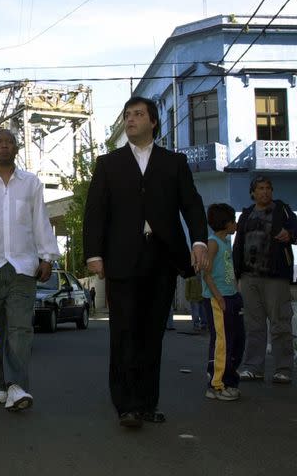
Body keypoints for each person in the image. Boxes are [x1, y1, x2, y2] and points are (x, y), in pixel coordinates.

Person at [83, 96, 209, 429]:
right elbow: (95, 212)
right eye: (127, 115)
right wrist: (94, 254)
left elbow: (192, 206)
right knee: (124, 333)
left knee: (152, 334)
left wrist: (198, 241)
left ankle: (147, 403)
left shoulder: (174, 162)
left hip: (163, 258)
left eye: (138, 114)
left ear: (153, 122)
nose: (131, 120)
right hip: (122, 259)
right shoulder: (109, 164)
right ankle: (126, 405)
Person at [0, 129, 60, 411]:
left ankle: (16, 386)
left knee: (20, 330)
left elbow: (40, 221)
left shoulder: (31, 184)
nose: (4, 146)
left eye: (9, 142)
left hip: (23, 266)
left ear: (16, 148)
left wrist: (47, 257)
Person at [232, 175, 296, 384]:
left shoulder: (283, 210)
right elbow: (238, 244)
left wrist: (290, 234)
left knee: (280, 323)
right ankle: (253, 367)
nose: (265, 192)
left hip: (276, 277)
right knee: (254, 324)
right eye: (260, 188)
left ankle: (283, 368)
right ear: (253, 192)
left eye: (268, 188)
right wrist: (237, 274)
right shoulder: (247, 214)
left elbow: (296, 230)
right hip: (250, 277)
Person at [201, 203, 245, 401]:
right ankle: (216, 385)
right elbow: (206, 273)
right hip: (218, 298)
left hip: (232, 296)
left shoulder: (226, 241)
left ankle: (228, 379)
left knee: (237, 339)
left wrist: (236, 293)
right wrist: (219, 297)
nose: (235, 224)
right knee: (222, 341)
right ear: (225, 223)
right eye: (232, 221)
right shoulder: (213, 243)